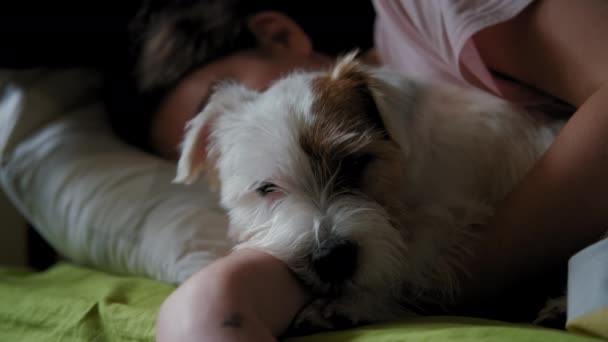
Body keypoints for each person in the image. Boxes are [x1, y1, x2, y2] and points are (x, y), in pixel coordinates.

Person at [125, 0, 608, 341]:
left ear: (278, 34)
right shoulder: (396, 82)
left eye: (353, 165)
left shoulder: (413, 25)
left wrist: (448, 288)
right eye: (268, 187)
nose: (267, 113)